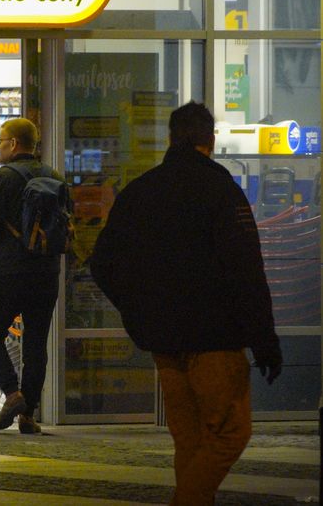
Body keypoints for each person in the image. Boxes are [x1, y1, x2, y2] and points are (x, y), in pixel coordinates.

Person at [88, 101, 282, 506]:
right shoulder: (220, 190)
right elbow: (246, 269)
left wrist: (138, 309)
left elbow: (103, 262)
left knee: (190, 440)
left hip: (163, 341)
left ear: (172, 138)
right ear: (209, 139)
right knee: (230, 432)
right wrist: (264, 338)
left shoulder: (141, 191)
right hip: (215, 339)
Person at [0, 118, 66, 435]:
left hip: (11, 271)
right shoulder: (53, 176)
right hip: (47, 271)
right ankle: (28, 416)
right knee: (36, 345)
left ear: (14, 144)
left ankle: (12, 394)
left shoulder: (3, 177)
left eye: (0, 141)